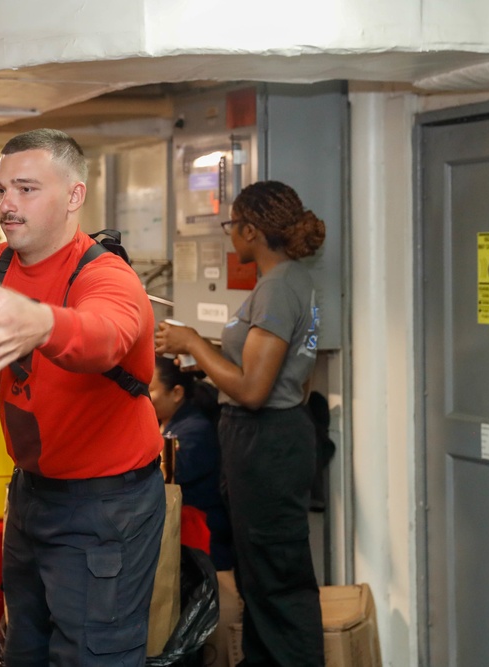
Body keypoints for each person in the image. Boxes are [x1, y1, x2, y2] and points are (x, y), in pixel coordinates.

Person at [0, 128, 165, 666]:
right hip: (30, 491)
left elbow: (105, 336)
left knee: (94, 656)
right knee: (23, 649)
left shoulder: (106, 277)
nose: (7, 205)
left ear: (74, 196)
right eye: (1, 190)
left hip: (103, 505)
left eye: (26, 189)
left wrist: (43, 321)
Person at [154, 180, 325, 667]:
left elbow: (252, 389)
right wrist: (207, 363)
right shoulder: (294, 281)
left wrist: (193, 343)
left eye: (232, 225)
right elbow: (294, 374)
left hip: (266, 442)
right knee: (261, 573)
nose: (230, 234)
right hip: (276, 434)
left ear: (251, 229)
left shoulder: (277, 289)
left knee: (275, 578)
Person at [150, 355, 233, 571]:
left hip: (201, 540)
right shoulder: (163, 423)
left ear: (177, 393)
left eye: (150, 389)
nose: (143, 396)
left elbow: (164, 477)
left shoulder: (195, 430)